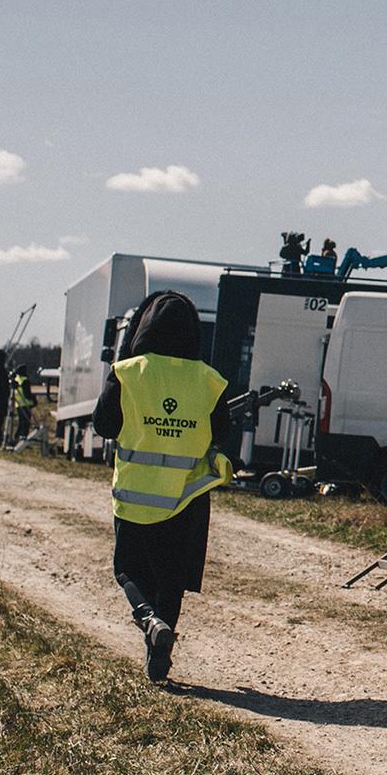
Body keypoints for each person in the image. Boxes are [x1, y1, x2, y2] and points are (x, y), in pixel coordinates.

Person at [93, 292, 260, 684]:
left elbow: (104, 425)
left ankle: (148, 620)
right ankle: (159, 654)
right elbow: (220, 434)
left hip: (136, 493)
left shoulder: (127, 372)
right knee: (171, 578)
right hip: (187, 496)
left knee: (127, 570)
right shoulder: (209, 380)